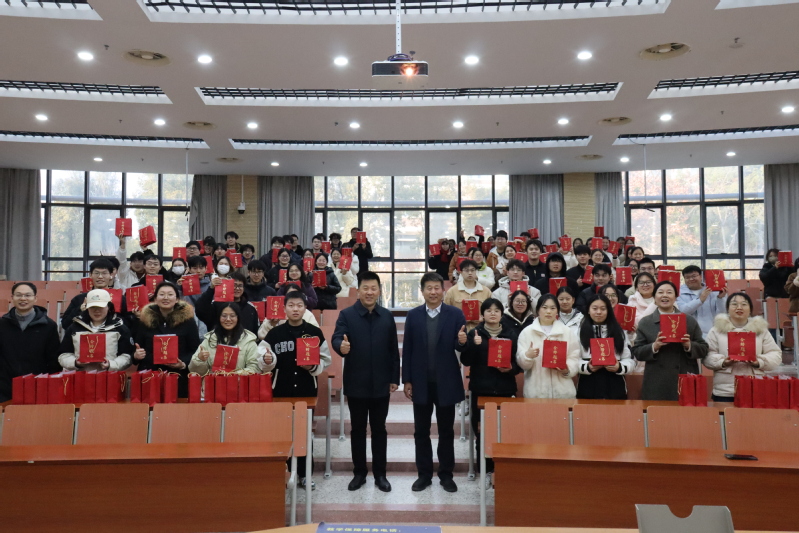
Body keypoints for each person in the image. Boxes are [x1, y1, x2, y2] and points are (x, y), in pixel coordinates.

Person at [331, 272, 400, 493]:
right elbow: (337, 337)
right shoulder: (347, 315)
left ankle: (381, 474)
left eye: (373, 288)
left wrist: (394, 378)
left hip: (381, 384)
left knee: (379, 429)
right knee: (358, 430)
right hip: (356, 383)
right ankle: (359, 473)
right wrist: (340, 346)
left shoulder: (387, 316)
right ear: (358, 291)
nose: (369, 292)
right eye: (365, 288)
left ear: (379, 291)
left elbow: (393, 351)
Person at [402, 272, 466, 493]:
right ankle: (424, 475)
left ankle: (446, 475)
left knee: (446, 431)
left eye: (437, 287)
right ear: (422, 291)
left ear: (443, 290)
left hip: (446, 382)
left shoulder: (455, 314)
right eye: (428, 288)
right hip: (421, 382)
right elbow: (407, 349)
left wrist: (462, 342)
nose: (433, 292)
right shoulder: (413, 316)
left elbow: (461, 347)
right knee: (421, 431)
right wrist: (407, 380)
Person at [262, 290, 331, 490]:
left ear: (305, 308)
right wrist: (267, 360)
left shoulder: (314, 332)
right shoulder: (274, 333)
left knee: (304, 433)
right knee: (281, 432)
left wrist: (313, 367)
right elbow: (263, 359)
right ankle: (283, 471)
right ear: (284, 308)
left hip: (306, 390)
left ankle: (304, 474)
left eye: (299, 305)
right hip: (280, 391)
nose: (295, 309)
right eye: (291, 305)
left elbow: (326, 359)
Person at [461, 298, 521, 483]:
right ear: (483, 314)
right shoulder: (475, 333)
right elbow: (466, 360)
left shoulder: (511, 334)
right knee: (482, 433)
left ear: (502, 314)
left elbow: (518, 364)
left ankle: (503, 469)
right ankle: (485, 471)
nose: (492, 313)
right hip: (481, 390)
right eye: (488, 310)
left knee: (505, 432)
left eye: (496, 310)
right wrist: (474, 345)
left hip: (505, 390)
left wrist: (509, 368)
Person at [631, 281, 708, 400]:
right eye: (660, 292)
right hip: (656, 382)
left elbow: (704, 349)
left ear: (676, 297)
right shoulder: (646, 322)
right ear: (654, 298)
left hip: (684, 379)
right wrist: (655, 346)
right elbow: (637, 352)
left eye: (669, 292)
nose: (665, 295)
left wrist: (688, 345)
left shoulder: (689, 321)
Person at [703, 292, 783, 402]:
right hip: (725, 390)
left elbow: (775, 354)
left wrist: (759, 362)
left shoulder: (761, 330)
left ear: (750, 310)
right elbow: (707, 355)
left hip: (754, 387)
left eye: (744, 304)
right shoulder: (716, 330)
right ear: (728, 309)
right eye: (734, 304)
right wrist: (723, 362)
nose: (739, 307)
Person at [132, 281, 200, 397]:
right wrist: (136, 355)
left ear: (177, 299)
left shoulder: (188, 321)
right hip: (150, 374)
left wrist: (183, 363)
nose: (166, 298)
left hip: (178, 375)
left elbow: (195, 350)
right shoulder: (145, 320)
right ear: (155, 298)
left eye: (170, 294)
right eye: (162, 294)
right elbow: (137, 348)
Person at [0, 282, 61, 402]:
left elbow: (54, 360)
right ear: (12, 298)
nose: (23, 299)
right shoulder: (2, 325)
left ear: (35, 298)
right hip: (5, 387)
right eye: (18, 295)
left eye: (27, 295)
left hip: (37, 386)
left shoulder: (49, 326)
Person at [515, 294, 581, 398]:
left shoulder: (567, 332)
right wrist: (527, 355)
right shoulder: (527, 332)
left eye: (553, 308)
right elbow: (522, 363)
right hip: (536, 393)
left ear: (557, 311)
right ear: (538, 310)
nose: (548, 311)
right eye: (544, 308)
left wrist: (567, 369)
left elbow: (574, 356)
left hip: (563, 393)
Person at [58, 289, 134, 372]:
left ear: (109, 307)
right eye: (92, 307)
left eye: (100, 307)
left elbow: (127, 355)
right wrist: (75, 363)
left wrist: (111, 364)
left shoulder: (119, 328)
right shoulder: (75, 327)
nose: (97, 311)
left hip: (110, 376)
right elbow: (63, 355)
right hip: (81, 376)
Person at [576, 294, 634, 399]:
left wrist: (619, 367)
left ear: (608, 311)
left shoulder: (619, 332)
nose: (599, 312)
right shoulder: (579, 332)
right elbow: (573, 359)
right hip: (587, 385)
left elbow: (629, 360)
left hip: (615, 385)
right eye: (594, 308)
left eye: (603, 309)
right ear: (588, 310)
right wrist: (587, 366)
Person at [189, 303, 265, 375]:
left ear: (238, 318)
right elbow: (195, 371)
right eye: (224, 316)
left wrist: (233, 375)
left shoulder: (248, 340)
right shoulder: (210, 339)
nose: (228, 319)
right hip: (213, 383)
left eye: (232, 316)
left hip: (239, 383)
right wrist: (200, 360)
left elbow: (255, 368)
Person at [61, 258, 117, 328]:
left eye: (104, 273)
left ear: (111, 275)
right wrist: (80, 309)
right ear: (90, 275)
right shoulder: (79, 299)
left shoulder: (119, 299)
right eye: (96, 273)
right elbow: (65, 324)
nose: (100, 277)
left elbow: (128, 326)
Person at [676, 265, 728, 336]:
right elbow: (683, 311)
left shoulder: (713, 291)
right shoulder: (679, 293)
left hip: (712, 332)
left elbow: (722, 313)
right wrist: (700, 300)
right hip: (690, 334)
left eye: (694, 276)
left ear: (701, 277)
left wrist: (720, 298)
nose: (691, 279)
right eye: (687, 277)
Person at [443, 259, 493, 329]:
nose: (470, 273)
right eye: (466, 270)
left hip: (481, 329)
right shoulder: (452, 291)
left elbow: (492, 311)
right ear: (461, 272)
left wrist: (484, 318)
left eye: (472, 270)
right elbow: (445, 312)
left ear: (476, 272)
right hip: (458, 329)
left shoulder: (486, 291)